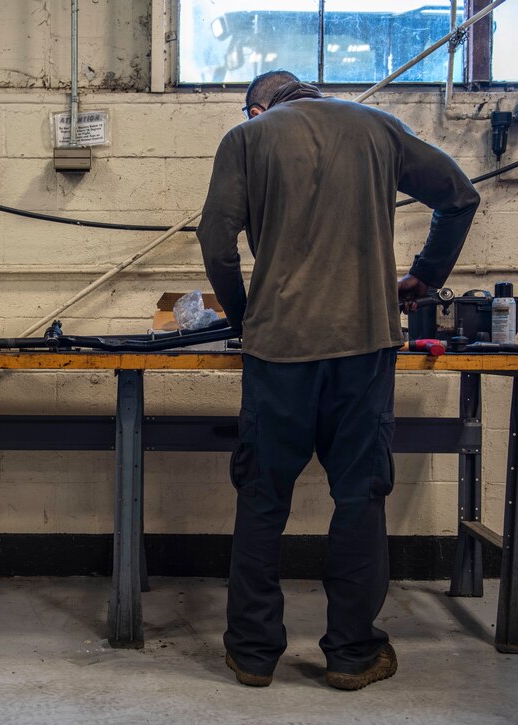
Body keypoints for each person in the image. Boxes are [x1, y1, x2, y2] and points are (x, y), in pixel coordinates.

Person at [197, 70, 479, 690]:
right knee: (360, 498)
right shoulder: (378, 127)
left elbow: (216, 241)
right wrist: (426, 276)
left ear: (258, 105)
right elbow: (459, 196)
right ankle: (352, 654)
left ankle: (251, 653)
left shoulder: (247, 139)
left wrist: (246, 316)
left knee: (263, 498)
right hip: (364, 346)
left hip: (278, 352)